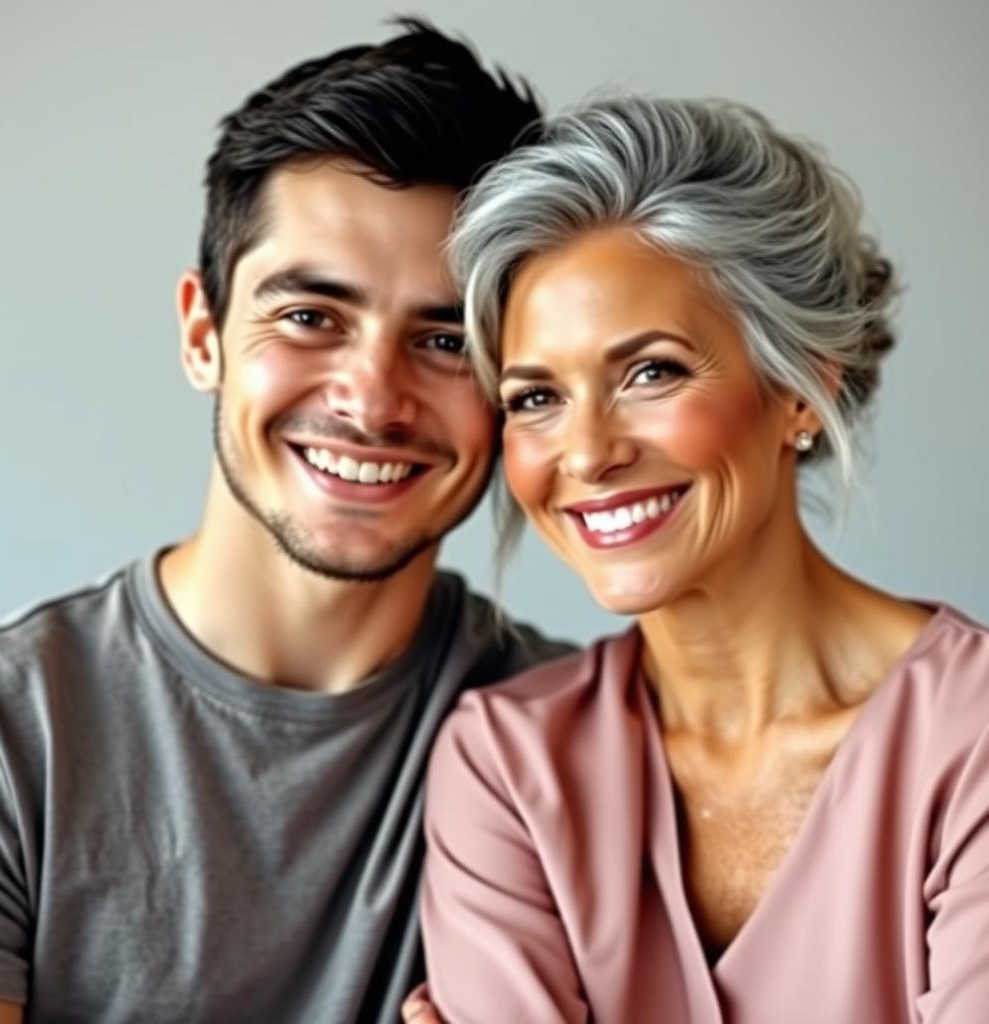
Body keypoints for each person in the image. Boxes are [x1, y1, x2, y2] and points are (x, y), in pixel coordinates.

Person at [0, 20, 570, 1024]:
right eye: (310, 316)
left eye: (444, 338)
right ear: (203, 334)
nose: (373, 400)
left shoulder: (583, 743)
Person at [414, 97, 989, 1023]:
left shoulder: (972, 740)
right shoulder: (506, 765)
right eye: (536, 398)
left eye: (652, 372)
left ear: (801, 389)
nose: (588, 452)